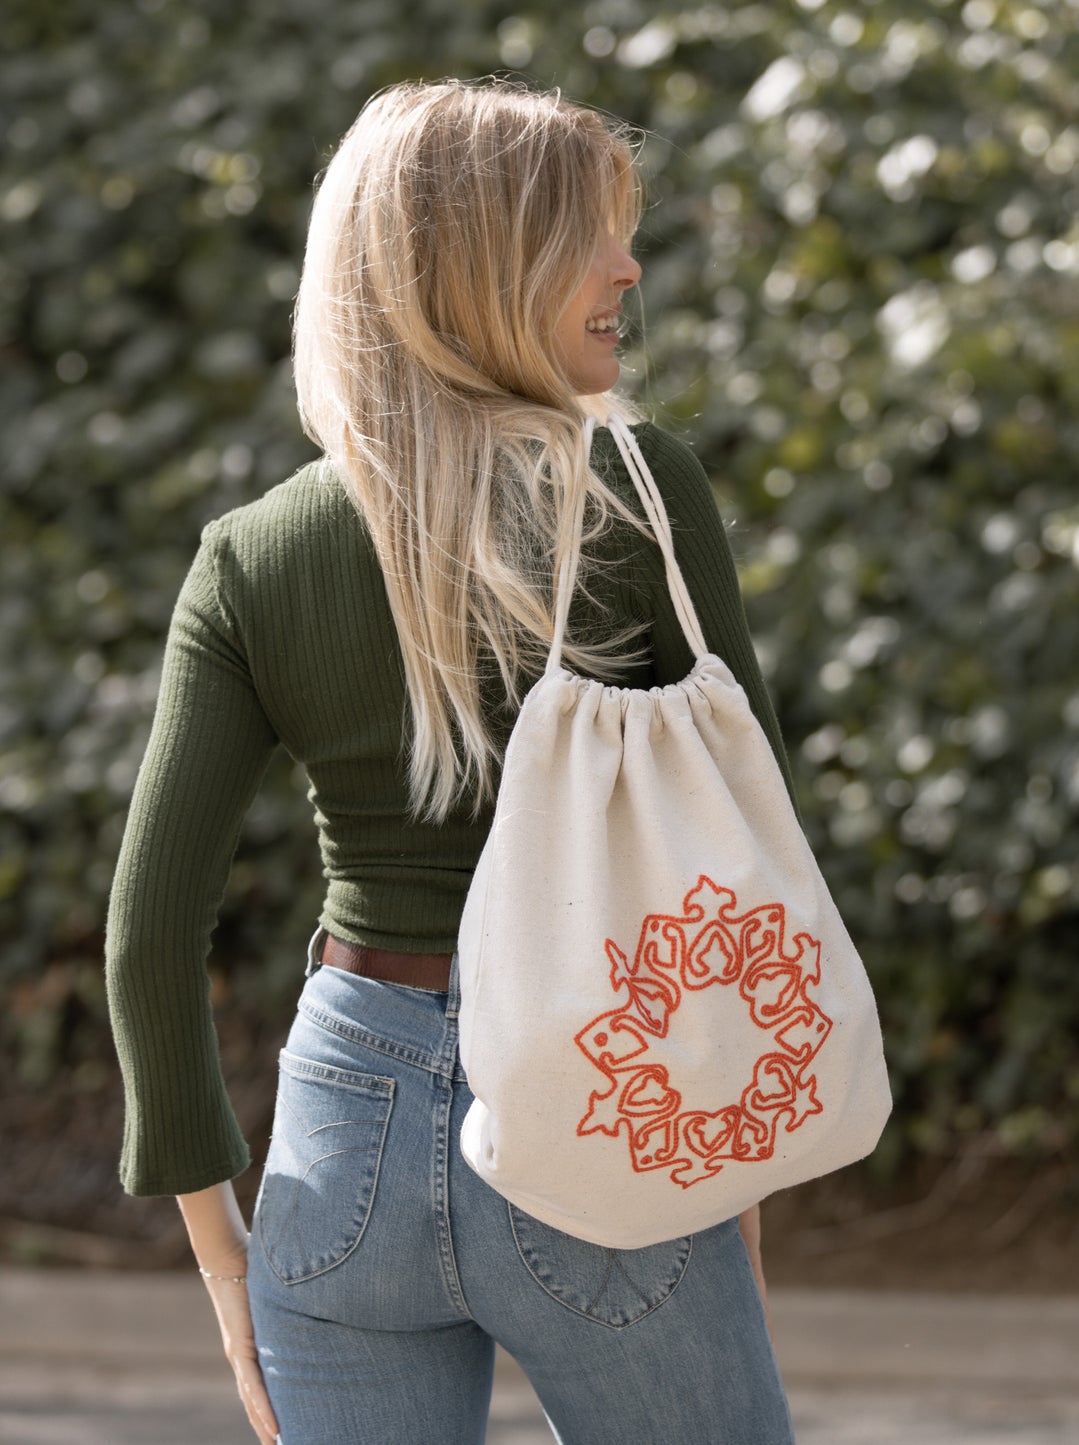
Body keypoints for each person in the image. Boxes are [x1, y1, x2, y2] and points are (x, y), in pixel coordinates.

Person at [106, 78, 796, 1445]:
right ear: (476, 269)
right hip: (607, 1110)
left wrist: (222, 1256)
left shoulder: (250, 553)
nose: (627, 267)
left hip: (338, 1138)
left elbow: (145, 940)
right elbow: (751, 867)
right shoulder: (637, 495)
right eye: (586, 235)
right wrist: (730, 1189)